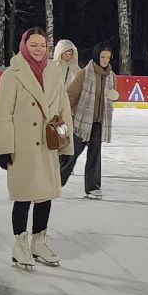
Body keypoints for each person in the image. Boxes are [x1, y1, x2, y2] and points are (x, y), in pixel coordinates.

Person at [0, 28, 74, 271]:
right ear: (24, 45)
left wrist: (66, 146)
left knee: (44, 196)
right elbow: (3, 115)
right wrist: (4, 148)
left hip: (48, 144)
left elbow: (63, 110)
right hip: (23, 146)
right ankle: (20, 244)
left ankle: (39, 241)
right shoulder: (13, 74)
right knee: (23, 197)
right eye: (33, 45)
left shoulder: (54, 72)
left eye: (42, 45)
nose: (39, 49)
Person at [64, 42, 117, 198]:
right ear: (96, 56)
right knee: (71, 153)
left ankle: (93, 188)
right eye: (102, 56)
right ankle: (55, 181)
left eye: (108, 57)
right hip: (81, 121)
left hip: (99, 123)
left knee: (95, 155)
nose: (105, 60)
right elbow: (70, 95)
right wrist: (68, 115)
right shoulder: (84, 74)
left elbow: (109, 98)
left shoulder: (112, 77)